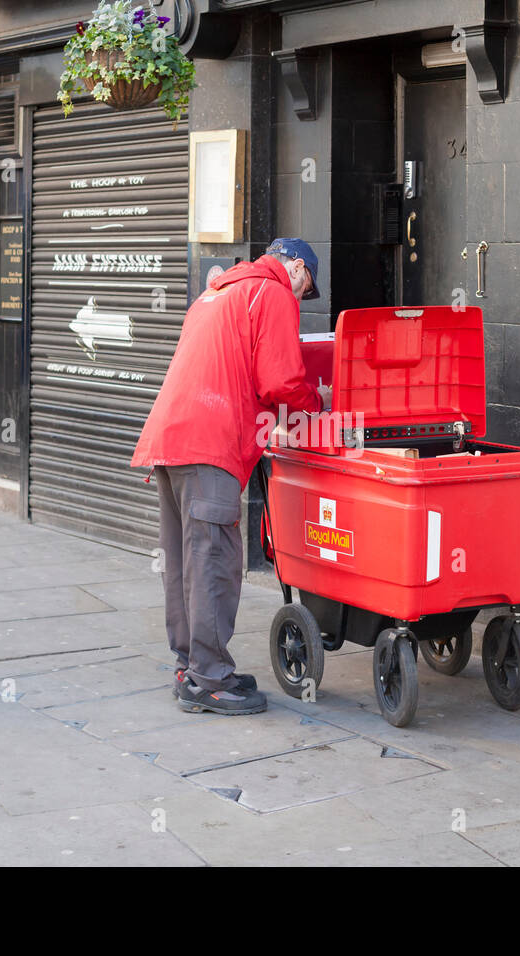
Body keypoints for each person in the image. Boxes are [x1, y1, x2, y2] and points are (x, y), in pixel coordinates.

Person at [131, 239, 329, 715]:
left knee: (185, 559)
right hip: (211, 443)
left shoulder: (214, 292)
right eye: (306, 289)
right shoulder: (272, 291)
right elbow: (279, 381)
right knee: (213, 560)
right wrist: (318, 405)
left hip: (171, 438)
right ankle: (210, 680)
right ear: (297, 268)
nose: (301, 298)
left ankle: (192, 665)